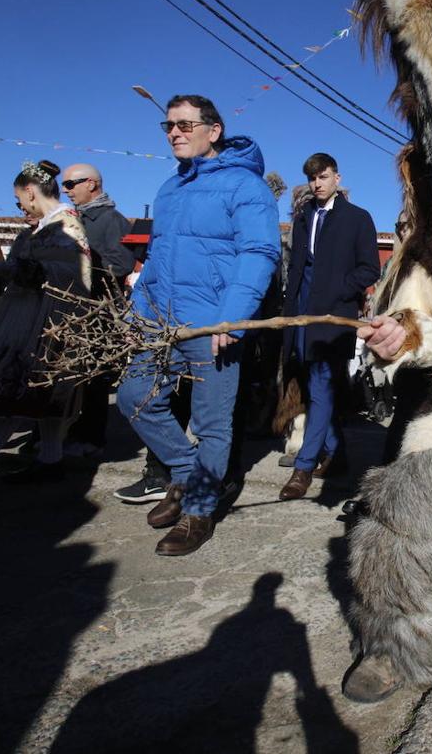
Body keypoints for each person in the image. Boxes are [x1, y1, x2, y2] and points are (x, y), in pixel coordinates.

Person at [115, 95, 279, 556]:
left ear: (215, 129)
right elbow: (156, 260)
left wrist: (234, 316)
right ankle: (189, 478)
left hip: (213, 327)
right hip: (160, 323)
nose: (175, 132)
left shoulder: (246, 187)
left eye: (186, 124)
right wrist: (135, 314)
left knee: (212, 423)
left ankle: (200, 511)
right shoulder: (169, 190)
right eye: (168, 125)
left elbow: (259, 253)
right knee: (133, 398)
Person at [0, 160, 91, 489]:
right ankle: (43, 461)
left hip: (51, 322)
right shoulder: (34, 230)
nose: (20, 206)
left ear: (29, 191)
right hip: (23, 318)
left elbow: (80, 277)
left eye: (18, 199)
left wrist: (24, 272)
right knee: (15, 391)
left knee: (33, 393)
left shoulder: (67, 224)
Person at [276, 153, 379, 501]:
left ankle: (303, 467)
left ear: (337, 177)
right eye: (313, 179)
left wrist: (338, 290)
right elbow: (297, 268)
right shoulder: (303, 217)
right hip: (300, 317)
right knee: (312, 386)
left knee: (320, 389)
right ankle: (339, 455)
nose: (317, 183)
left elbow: (370, 269)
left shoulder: (357, 218)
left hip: (333, 319)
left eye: (323, 177)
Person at [59, 163, 135, 459]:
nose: (66, 190)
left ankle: (91, 437)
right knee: (72, 377)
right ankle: (67, 433)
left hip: (99, 312)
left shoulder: (111, 220)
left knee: (94, 377)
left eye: (71, 184)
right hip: (74, 310)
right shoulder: (74, 219)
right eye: (64, 185)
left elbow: (123, 264)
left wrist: (86, 265)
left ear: (92, 184)